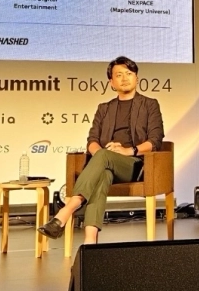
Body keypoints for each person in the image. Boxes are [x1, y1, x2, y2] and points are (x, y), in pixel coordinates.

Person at [38, 56, 164, 244]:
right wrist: (103, 155)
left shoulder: (149, 104)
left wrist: (127, 151)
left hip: (134, 165)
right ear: (111, 82)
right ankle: (90, 241)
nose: (124, 78)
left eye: (129, 73)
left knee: (104, 156)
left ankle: (67, 210)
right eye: (118, 75)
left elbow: (155, 141)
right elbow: (92, 141)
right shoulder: (104, 108)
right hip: (106, 163)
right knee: (103, 175)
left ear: (137, 78)